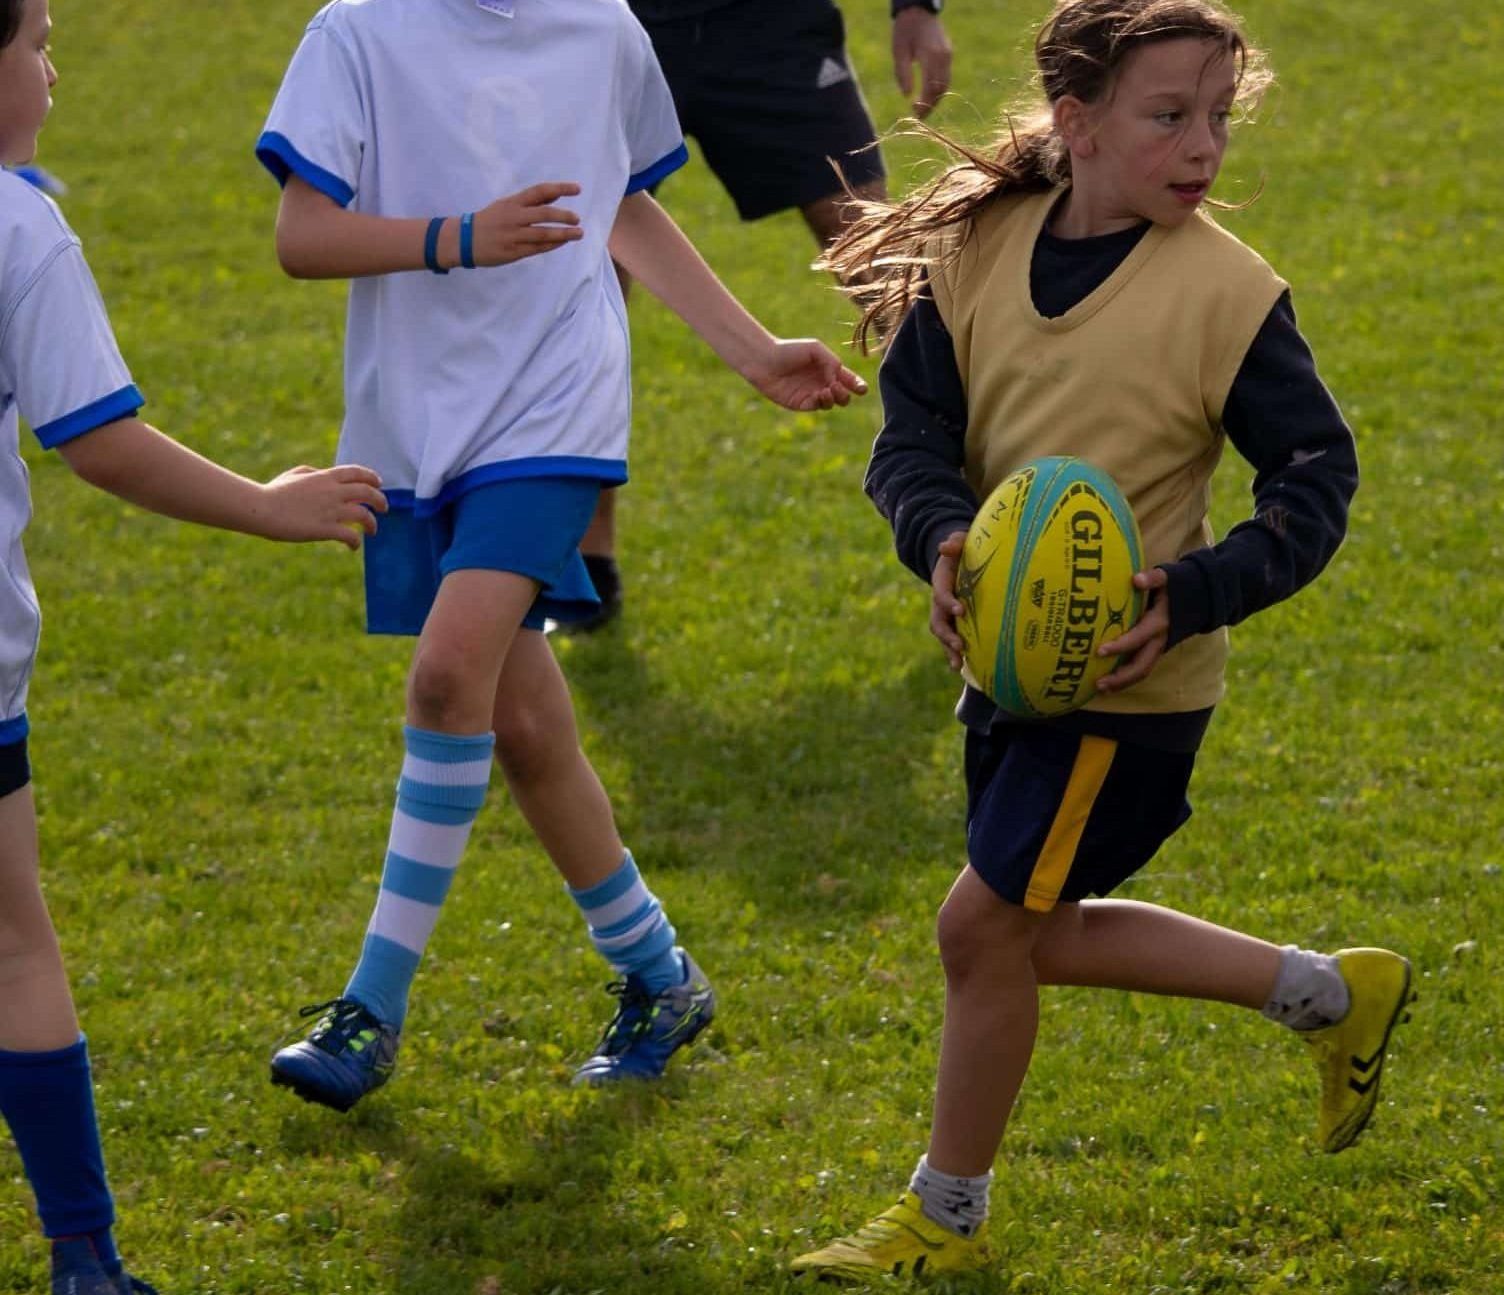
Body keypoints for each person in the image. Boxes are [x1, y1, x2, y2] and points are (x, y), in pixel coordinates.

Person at [790, 0, 1412, 1278]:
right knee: (1038, 929)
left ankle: (941, 1215)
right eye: (1168, 116)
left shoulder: (1227, 295)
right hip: (1007, 668)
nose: (1202, 148)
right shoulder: (976, 250)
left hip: (1130, 691)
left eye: (1216, 120)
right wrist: (943, 538)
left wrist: (1187, 593)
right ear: (1074, 124)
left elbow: (1313, 473)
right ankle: (1330, 993)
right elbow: (907, 438)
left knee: (979, 929)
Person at [253, 0, 865, 1113]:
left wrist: (754, 349)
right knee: (526, 727)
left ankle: (370, 1008)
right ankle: (660, 975)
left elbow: (621, 204)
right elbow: (302, 238)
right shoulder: (355, 30)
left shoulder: (603, 30)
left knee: (447, 677)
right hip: (412, 422)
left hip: (553, 408)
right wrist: (459, 237)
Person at [0, 1, 388, 1289]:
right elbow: (96, 436)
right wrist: (267, 505)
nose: (52, 72)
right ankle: (86, 1261)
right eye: (37, 43)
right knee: (13, 944)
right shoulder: (19, 227)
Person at [573, 0, 954, 633]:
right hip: (610, 21)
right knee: (585, 283)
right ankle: (585, 563)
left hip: (773, 25)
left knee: (889, 276)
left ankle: (989, 525)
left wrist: (916, 7)